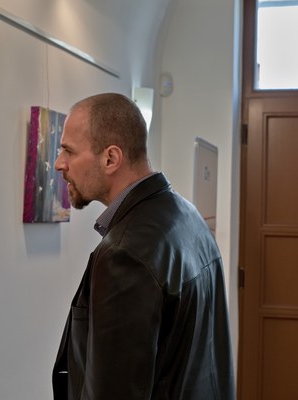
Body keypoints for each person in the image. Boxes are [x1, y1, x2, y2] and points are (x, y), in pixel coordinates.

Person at [52, 93, 235, 399]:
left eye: (68, 151)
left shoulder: (124, 254)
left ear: (111, 159)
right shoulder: (190, 217)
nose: (59, 163)